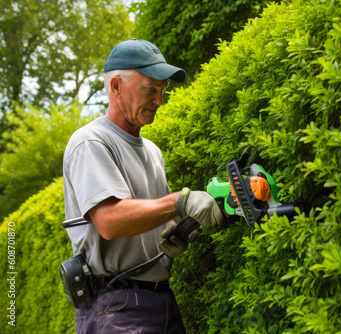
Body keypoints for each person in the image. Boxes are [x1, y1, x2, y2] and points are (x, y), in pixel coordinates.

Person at [63, 38, 224, 333]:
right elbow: (110, 220)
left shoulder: (152, 151)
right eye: (150, 89)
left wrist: (171, 238)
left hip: (161, 300)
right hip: (115, 307)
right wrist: (179, 200)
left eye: (162, 91)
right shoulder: (91, 141)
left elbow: (152, 216)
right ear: (116, 86)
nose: (159, 100)